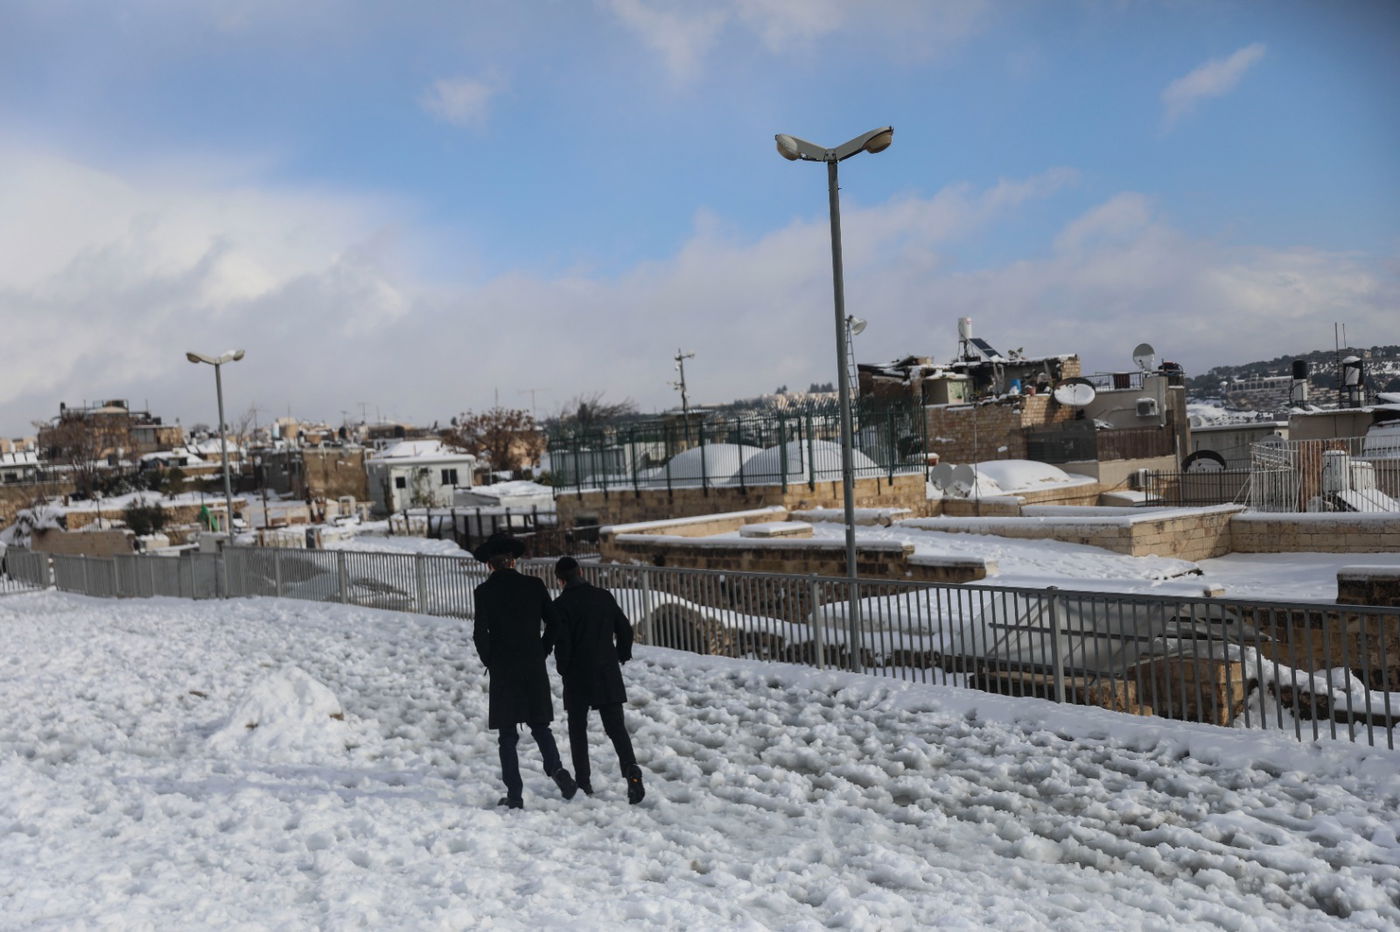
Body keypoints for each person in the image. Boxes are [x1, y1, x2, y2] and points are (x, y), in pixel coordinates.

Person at [472, 533, 578, 809]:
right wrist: (542, 649)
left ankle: (515, 795)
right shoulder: (534, 585)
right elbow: (555, 623)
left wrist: (490, 660)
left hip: (503, 667)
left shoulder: (484, 592)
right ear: (514, 562)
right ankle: (557, 769)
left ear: (489, 565)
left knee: (507, 735)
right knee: (540, 725)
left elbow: (479, 633)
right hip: (532, 664)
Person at [552, 556, 645, 805]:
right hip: (606, 670)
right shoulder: (603, 596)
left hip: (577, 674)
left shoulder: (561, 605)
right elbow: (624, 629)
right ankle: (631, 769)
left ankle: (583, 782)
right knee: (616, 728)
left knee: (577, 730)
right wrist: (621, 654)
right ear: (581, 572)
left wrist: (564, 669)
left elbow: (562, 644)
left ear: (560, 580)